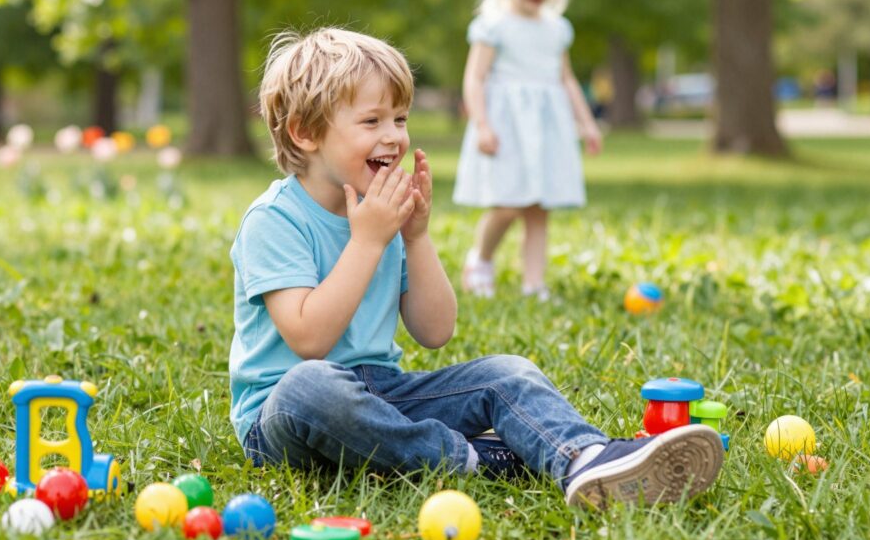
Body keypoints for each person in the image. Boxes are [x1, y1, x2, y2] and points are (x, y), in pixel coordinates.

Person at [229, 27, 724, 509]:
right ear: (305, 133)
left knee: (506, 373)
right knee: (311, 387)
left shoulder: (383, 217)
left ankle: (587, 458)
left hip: (383, 391)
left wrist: (415, 236)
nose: (393, 137)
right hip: (285, 415)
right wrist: (367, 241)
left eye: (400, 119)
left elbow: (436, 330)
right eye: (372, 121)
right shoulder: (276, 220)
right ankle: (474, 460)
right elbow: (309, 341)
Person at [454, 0, 603, 301]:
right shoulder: (494, 26)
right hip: (507, 126)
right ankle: (481, 259)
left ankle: (534, 283)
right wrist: (482, 123)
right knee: (507, 204)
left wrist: (586, 124)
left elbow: (567, 80)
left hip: (547, 129)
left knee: (539, 208)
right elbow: (474, 78)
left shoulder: (557, 29)